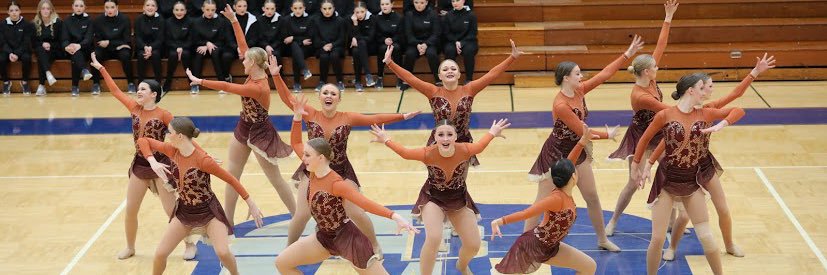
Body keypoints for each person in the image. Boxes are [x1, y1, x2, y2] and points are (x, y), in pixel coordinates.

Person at [525, 35, 646, 252]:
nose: (582, 76)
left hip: (578, 151)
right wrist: (608, 135)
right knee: (541, 201)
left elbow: (604, 75)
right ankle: (525, 242)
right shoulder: (561, 105)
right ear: (566, 78)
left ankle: (602, 239)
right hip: (556, 156)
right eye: (577, 74)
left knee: (592, 197)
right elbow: (583, 131)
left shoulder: (579, 90)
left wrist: (627, 54)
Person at [275, 95, 418, 274]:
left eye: (307, 155)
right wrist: (297, 118)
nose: (302, 159)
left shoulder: (336, 183)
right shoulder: (313, 170)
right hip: (324, 239)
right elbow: (296, 142)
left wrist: (395, 216)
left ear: (321, 158)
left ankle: (373, 247)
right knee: (282, 262)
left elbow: (365, 203)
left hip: (349, 241)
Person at [186, 4, 297, 225]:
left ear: (253, 63)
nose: (242, 60)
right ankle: (227, 220)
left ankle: (298, 215)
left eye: (245, 60)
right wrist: (234, 21)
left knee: (274, 178)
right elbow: (243, 46)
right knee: (232, 175)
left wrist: (200, 81)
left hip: (261, 133)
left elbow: (227, 87)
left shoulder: (258, 87)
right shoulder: (254, 70)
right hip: (244, 127)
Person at [370, 118, 510, 275]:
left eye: (449, 134)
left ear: (455, 137)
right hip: (433, 198)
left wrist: (493, 132)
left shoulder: (465, 149)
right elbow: (405, 153)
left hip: (458, 198)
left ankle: (461, 265)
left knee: (473, 245)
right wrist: (386, 139)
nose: (445, 138)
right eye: (441, 134)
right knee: (434, 238)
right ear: (435, 137)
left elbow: (480, 146)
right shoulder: (427, 153)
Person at [137, 117, 264, 275]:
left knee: (223, 253)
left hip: (209, 212)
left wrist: (250, 203)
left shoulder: (203, 160)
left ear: (180, 136)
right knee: (160, 254)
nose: (167, 135)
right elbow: (143, 140)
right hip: (184, 212)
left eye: (170, 132)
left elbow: (231, 180)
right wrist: (152, 161)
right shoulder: (172, 150)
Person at [491, 124, 595, 275]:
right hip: (535, 246)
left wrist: (582, 142)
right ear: (574, 176)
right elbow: (526, 213)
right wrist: (499, 221)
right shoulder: (555, 199)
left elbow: (570, 161)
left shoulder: (564, 188)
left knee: (589, 266)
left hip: (552, 246)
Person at [61, 0, 94, 96]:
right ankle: (84, 70)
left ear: (85, 7)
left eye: (81, 6)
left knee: (77, 54)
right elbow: (64, 38)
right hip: (71, 50)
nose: (78, 8)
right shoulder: (67, 20)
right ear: (72, 6)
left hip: (86, 49)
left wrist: (79, 46)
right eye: (76, 6)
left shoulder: (90, 20)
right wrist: (66, 47)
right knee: (75, 53)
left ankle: (74, 86)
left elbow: (88, 38)